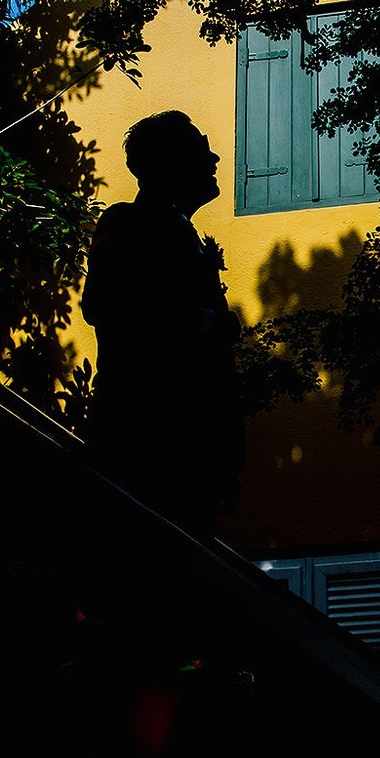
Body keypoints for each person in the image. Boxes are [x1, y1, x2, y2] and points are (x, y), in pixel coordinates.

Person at [80, 109, 244, 536]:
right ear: (170, 163)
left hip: (192, 455)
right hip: (144, 442)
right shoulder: (126, 222)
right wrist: (209, 323)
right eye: (200, 149)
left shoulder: (183, 233)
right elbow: (104, 304)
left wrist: (225, 457)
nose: (214, 160)